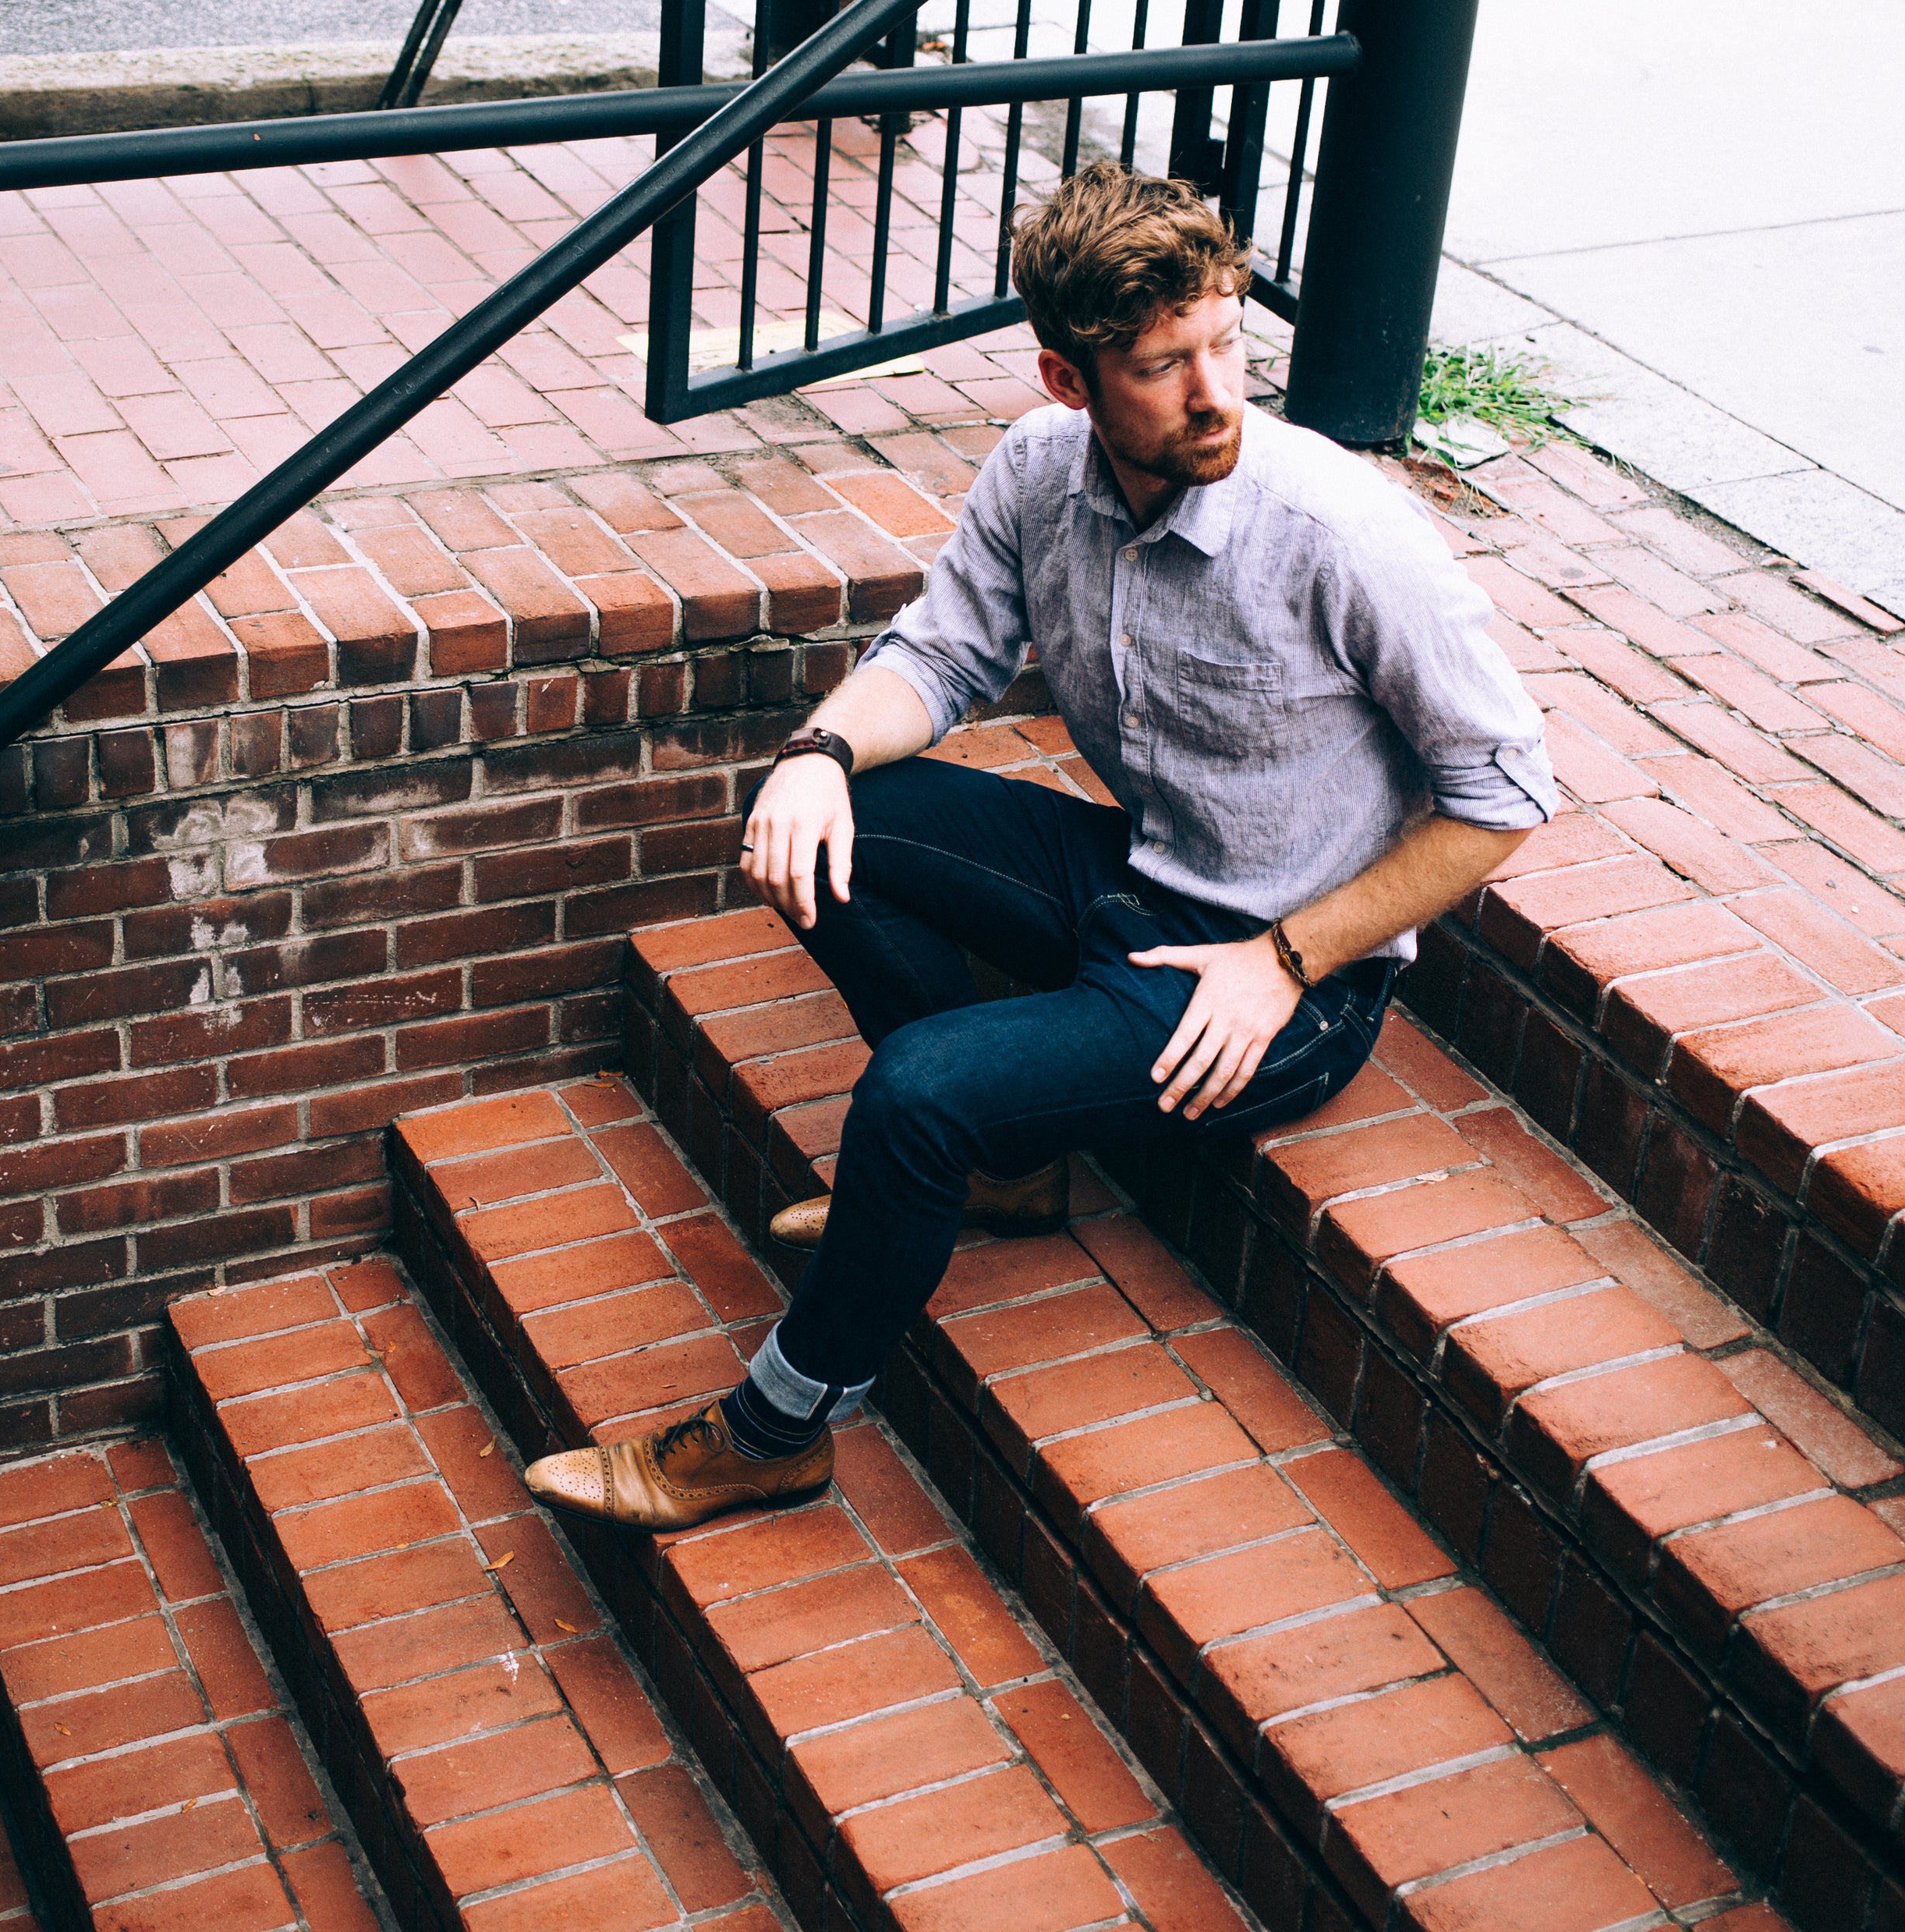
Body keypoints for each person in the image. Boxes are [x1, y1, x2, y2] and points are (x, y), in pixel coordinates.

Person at [522, 164, 1556, 1533]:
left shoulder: (1338, 531)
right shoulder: (1036, 469)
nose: (1215, 393)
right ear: (1072, 384)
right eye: (1161, 365)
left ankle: (779, 1431)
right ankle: (1006, 1170)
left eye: (1226, 343)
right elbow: (942, 653)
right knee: (831, 822)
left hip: (1280, 982)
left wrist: (1287, 961)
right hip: (1134, 879)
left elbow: (1507, 795)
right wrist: (817, 758)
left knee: (916, 1090)